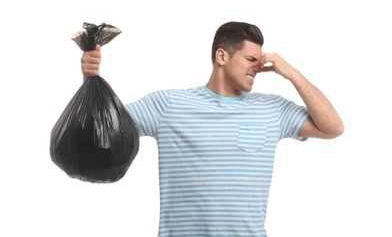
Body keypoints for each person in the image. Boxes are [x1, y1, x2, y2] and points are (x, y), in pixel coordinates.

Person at [81, 21, 344, 236]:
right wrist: (89, 80)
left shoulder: (272, 109)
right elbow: (103, 131)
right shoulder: (168, 104)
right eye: (251, 58)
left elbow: (333, 127)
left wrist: (291, 73)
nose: (259, 67)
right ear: (222, 56)